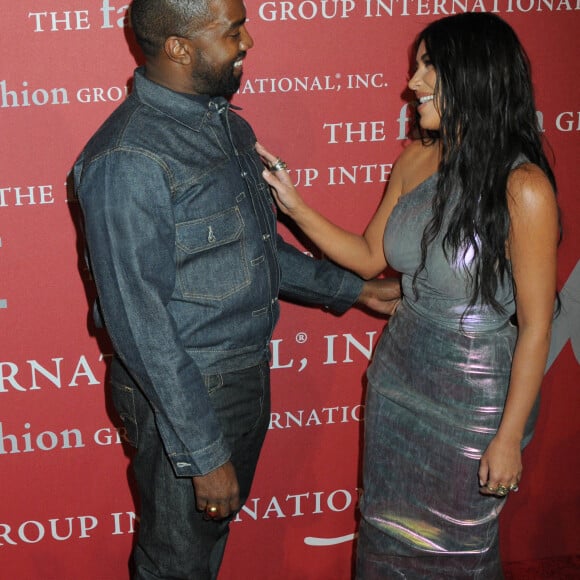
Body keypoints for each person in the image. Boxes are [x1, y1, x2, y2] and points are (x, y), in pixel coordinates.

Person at [73, 0, 400, 578]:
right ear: (179, 47)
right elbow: (138, 323)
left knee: (200, 554)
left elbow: (251, 250)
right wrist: (202, 453)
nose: (249, 40)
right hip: (186, 392)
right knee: (177, 565)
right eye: (233, 31)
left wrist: (353, 290)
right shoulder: (128, 157)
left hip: (238, 377)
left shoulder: (225, 123)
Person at [258, 12, 559, 578]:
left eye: (427, 67)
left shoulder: (524, 188)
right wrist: (293, 205)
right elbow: (369, 256)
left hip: (475, 398)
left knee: (458, 548)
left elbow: (537, 327)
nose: (412, 83)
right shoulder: (416, 158)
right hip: (400, 379)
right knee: (384, 528)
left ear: (471, 76)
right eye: (416, 67)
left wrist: (508, 438)